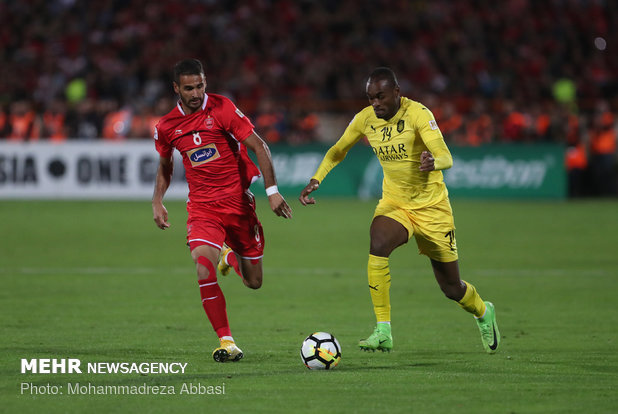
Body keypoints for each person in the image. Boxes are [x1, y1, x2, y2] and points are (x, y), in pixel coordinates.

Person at [299, 67, 500, 354]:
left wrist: (435, 163)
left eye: (381, 96)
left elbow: (446, 155)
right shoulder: (365, 120)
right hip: (396, 204)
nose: (375, 103)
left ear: (397, 92)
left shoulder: (419, 114)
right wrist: (317, 178)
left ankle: (483, 311)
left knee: (451, 288)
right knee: (378, 242)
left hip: (432, 208)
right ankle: (383, 331)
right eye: (371, 98)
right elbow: (337, 150)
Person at [152, 59, 292, 363]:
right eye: (189, 88)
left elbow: (260, 146)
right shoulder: (166, 126)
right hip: (203, 208)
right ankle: (227, 341)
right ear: (176, 88)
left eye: (200, 85)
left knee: (254, 282)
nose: (196, 93)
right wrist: (157, 200)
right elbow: (165, 165)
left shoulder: (222, 108)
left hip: (238, 205)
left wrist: (272, 192)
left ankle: (230, 257)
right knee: (203, 266)